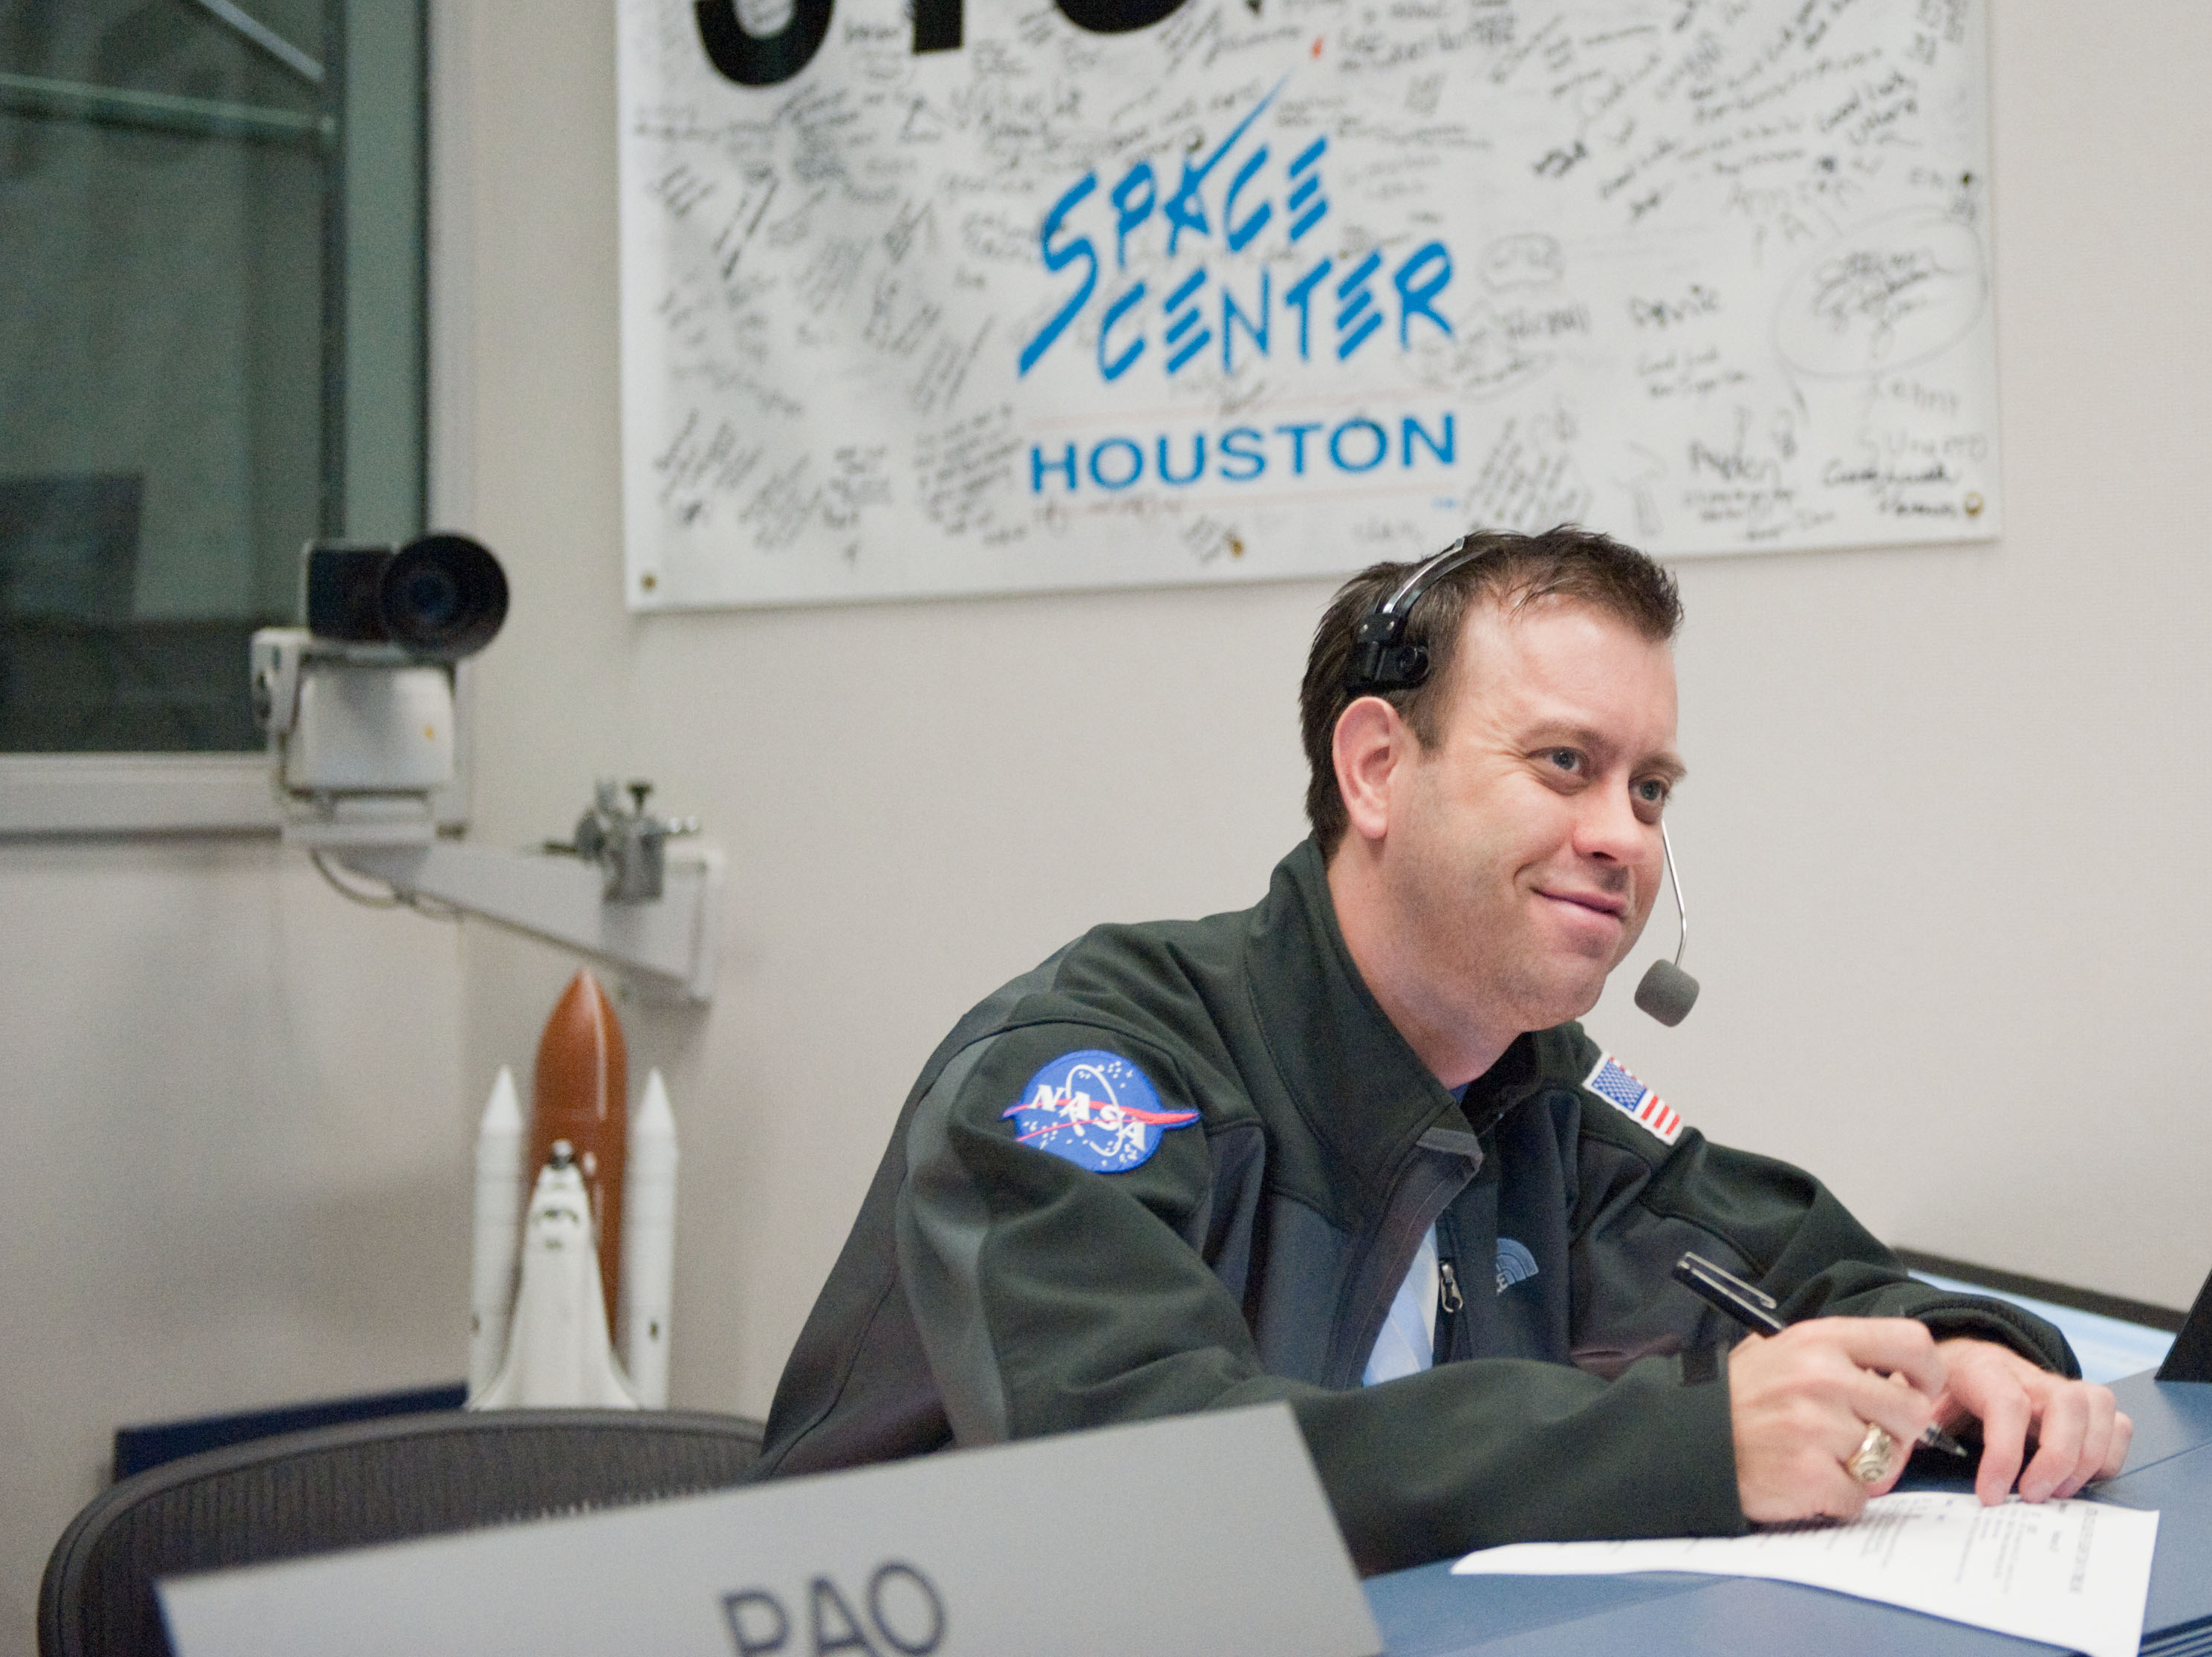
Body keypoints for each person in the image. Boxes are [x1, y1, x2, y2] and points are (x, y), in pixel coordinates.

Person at [752, 527, 2130, 1569]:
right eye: (1564, 766)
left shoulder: (1536, 1087)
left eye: (1650, 788)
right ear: (1373, 771)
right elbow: (1144, 1484)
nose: (1625, 836)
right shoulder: (1090, 1074)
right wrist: (1687, 1448)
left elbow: (1788, 1269)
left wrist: (1957, 1352)